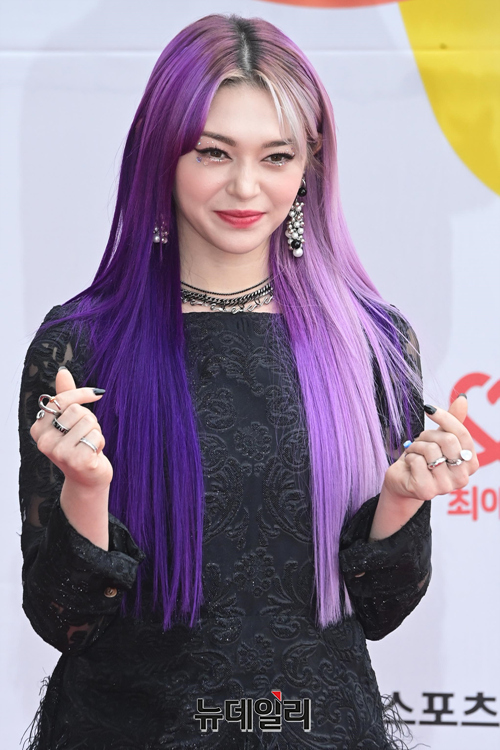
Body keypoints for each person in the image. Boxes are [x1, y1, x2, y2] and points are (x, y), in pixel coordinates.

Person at [18, 13, 478, 750]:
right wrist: (85, 489)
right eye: (213, 152)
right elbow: (62, 619)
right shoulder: (81, 344)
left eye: (276, 156)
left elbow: (381, 612)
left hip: (318, 729)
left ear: (309, 166)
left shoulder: (372, 343)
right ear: (161, 156)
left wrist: (400, 501)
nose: (244, 186)